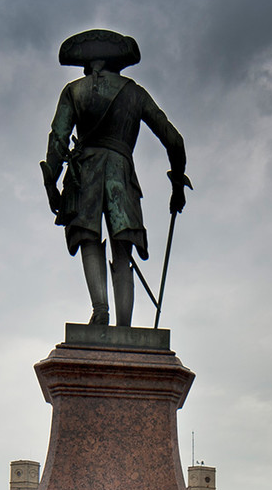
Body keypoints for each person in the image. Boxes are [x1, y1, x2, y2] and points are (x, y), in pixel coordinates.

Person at [42, 30, 189, 327]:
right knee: (123, 249)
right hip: (121, 175)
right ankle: (124, 326)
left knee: (88, 238)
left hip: (84, 175)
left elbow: (58, 141)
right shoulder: (135, 93)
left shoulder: (74, 91)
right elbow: (174, 140)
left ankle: (100, 309)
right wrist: (176, 183)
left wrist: (52, 185)